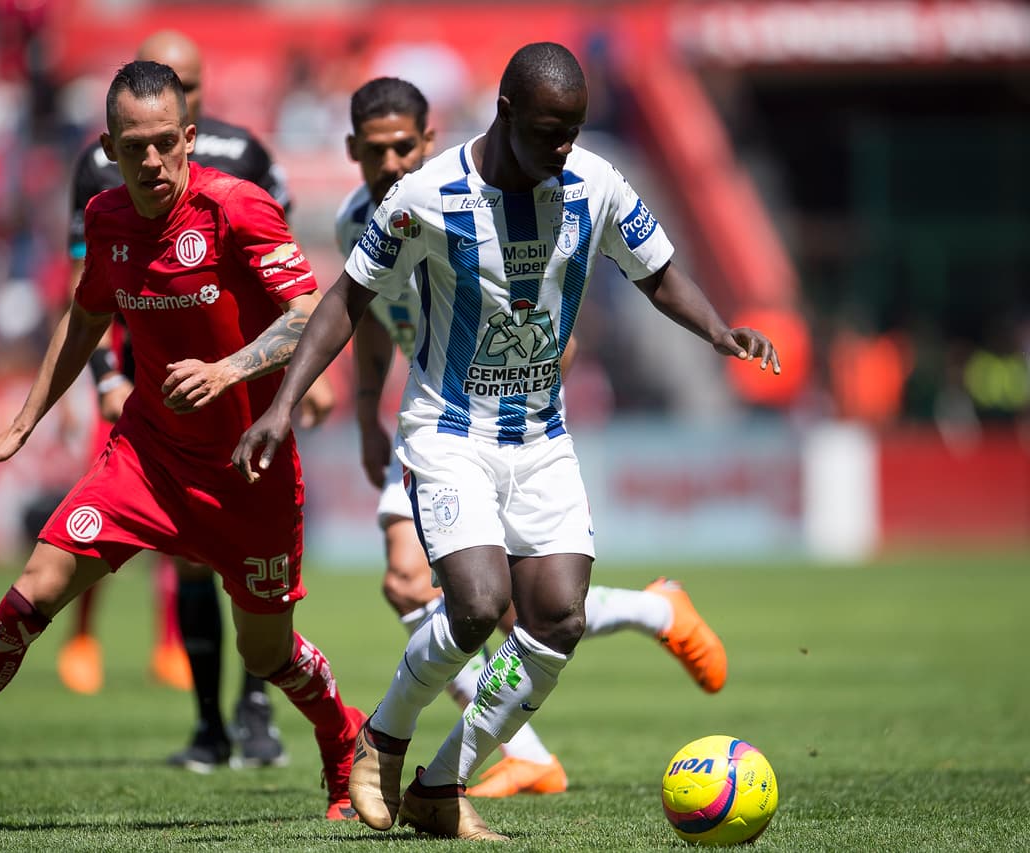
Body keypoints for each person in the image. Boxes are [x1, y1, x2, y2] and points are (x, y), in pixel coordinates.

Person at [235, 43, 780, 840]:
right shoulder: (427, 195)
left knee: (557, 616)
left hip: (541, 437)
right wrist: (284, 402)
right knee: (477, 602)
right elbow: (347, 299)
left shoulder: (594, 183)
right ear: (505, 113)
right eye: (549, 132)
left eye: (574, 131)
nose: (564, 147)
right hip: (449, 433)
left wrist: (719, 331)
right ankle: (382, 739)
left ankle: (441, 784)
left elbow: (658, 271)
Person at [0, 59, 364, 824]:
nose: (151, 161)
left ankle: (344, 740)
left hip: (247, 474)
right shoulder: (106, 217)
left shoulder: (237, 207)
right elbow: (86, 317)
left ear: (189, 138)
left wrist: (228, 370)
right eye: (134, 146)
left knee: (266, 653)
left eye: (164, 142)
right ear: (110, 149)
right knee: (30, 594)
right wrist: (22, 425)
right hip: (147, 461)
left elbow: (309, 313)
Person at [337, 77, 732, 801]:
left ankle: (480, 764)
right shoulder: (379, 216)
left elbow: (576, 319)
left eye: (403, 146)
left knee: (535, 610)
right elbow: (364, 318)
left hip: (522, 426)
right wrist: (364, 411)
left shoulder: (548, 189)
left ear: (428, 140)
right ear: (351, 151)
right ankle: (435, 746)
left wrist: (519, 398)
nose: (390, 162)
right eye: (374, 150)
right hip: (437, 423)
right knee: (457, 596)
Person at [62, 30, 334, 772]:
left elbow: (290, 289)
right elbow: (85, 294)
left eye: (189, 83)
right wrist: (106, 379)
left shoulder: (244, 158)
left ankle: (256, 709)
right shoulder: (99, 171)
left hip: (244, 391)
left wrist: (304, 378)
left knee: (252, 571)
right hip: (155, 390)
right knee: (184, 559)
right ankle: (210, 723)